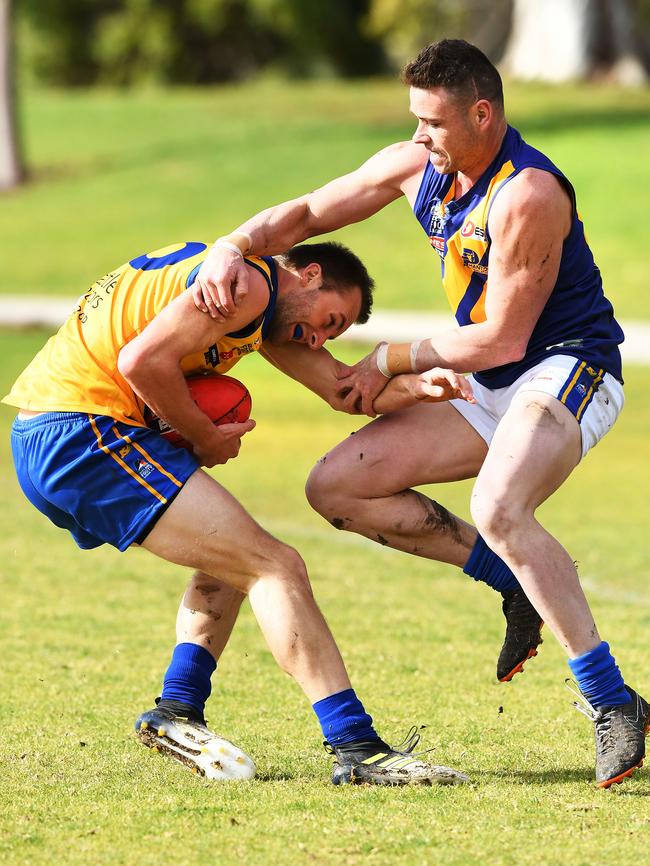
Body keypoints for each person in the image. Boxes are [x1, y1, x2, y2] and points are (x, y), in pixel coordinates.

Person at [191, 40, 649, 788]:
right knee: (337, 487)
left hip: (568, 367)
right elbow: (307, 212)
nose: (418, 138)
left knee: (500, 504)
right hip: (488, 382)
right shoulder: (419, 166)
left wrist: (388, 362)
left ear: (482, 113)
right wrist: (232, 245)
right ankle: (508, 583)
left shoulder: (527, 194)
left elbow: (505, 335)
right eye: (414, 120)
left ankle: (611, 701)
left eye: (433, 123)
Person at [3, 237, 474, 787]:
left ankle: (177, 711)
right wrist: (204, 437)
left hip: (51, 432)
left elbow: (343, 389)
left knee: (231, 561)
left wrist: (417, 386)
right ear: (309, 273)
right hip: (84, 431)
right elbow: (140, 362)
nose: (318, 338)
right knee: (276, 566)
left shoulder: (264, 306)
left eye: (331, 334)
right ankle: (357, 748)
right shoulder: (247, 286)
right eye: (329, 319)